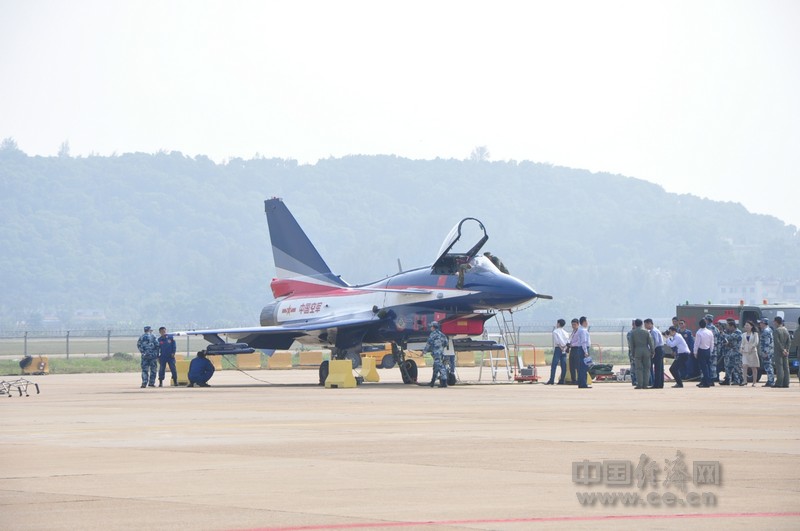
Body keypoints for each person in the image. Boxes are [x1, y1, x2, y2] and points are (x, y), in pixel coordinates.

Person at [629, 319, 654, 389]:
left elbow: (631, 344)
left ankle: (639, 384)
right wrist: (652, 351)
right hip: (646, 350)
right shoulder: (646, 332)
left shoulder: (633, 333)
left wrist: (633, 353)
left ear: (635, 324)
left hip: (637, 351)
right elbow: (651, 342)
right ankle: (645, 385)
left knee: (638, 369)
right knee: (647, 368)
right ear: (642, 324)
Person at [423, 321, 449, 388]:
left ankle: (439, 382)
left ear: (433, 327)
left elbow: (429, 343)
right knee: (439, 366)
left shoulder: (433, 334)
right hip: (441, 352)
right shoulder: (442, 334)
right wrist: (441, 348)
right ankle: (437, 382)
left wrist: (424, 351)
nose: (430, 328)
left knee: (438, 367)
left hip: (436, 353)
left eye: (431, 326)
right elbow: (446, 342)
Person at [720, 319, 744, 386]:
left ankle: (741, 380)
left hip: (737, 353)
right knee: (728, 366)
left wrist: (723, 334)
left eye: (728, 326)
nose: (727, 328)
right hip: (732, 352)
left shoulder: (738, 332)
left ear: (732, 326)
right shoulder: (732, 332)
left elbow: (730, 337)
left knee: (738, 367)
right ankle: (728, 380)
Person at [546, 319, 569, 385]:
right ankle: (562, 380)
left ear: (558, 324)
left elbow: (557, 341)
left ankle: (552, 379)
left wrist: (561, 347)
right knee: (563, 365)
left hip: (558, 348)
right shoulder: (566, 332)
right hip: (564, 348)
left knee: (554, 365)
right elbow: (568, 341)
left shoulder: (555, 331)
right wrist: (564, 348)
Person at [694, 318, 715, 388]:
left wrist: (695, 352)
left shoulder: (699, 332)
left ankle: (706, 383)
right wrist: (711, 350)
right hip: (708, 350)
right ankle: (708, 381)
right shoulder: (709, 332)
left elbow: (697, 343)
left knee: (703, 368)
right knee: (708, 367)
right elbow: (712, 342)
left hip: (701, 351)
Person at [571, 316, 592, 388]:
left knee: (581, 367)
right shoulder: (583, 331)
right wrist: (586, 351)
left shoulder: (580, 330)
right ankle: (583, 383)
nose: (587, 323)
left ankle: (581, 383)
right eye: (587, 321)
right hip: (583, 349)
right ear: (584, 322)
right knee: (584, 367)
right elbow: (584, 342)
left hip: (580, 349)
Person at [644, 319, 665, 388]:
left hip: (657, 349)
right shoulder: (653, 331)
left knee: (657, 368)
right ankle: (660, 384)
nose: (645, 326)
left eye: (646, 324)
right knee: (660, 368)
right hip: (659, 349)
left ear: (650, 323)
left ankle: (656, 384)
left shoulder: (654, 332)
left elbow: (655, 342)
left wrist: (652, 351)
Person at [740, 321, 760, 387]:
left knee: (753, 367)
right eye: (745, 325)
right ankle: (745, 381)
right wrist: (741, 348)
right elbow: (742, 343)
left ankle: (754, 382)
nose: (746, 327)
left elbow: (756, 342)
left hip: (752, 352)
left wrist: (752, 347)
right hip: (745, 352)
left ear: (751, 326)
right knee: (744, 366)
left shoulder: (755, 334)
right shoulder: (743, 334)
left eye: (747, 325)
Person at [773, 316, 791, 388]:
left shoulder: (776, 331)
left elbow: (777, 342)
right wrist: (787, 350)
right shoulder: (785, 330)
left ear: (776, 322)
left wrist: (782, 350)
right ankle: (786, 382)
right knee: (786, 367)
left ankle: (779, 382)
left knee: (779, 367)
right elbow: (789, 341)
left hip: (778, 351)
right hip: (785, 351)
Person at [758, 318, 775, 387]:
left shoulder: (766, 331)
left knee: (768, 366)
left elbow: (767, 342)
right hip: (769, 351)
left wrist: (765, 352)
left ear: (764, 323)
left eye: (761, 323)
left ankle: (771, 381)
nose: (760, 324)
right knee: (768, 366)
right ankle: (770, 380)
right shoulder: (769, 330)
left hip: (767, 352)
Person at [626, 320, 638, 387]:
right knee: (633, 366)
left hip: (637, 351)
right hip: (633, 352)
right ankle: (634, 380)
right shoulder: (630, 333)